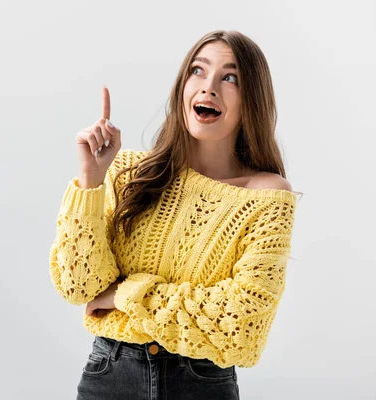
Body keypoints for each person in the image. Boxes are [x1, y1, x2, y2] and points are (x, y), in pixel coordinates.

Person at [48, 30, 301, 400]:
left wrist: (126, 293)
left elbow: (243, 323)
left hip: (201, 382)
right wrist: (91, 181)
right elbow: (80, 287)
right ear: (182, 86)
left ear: (253, 100)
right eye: (197, 71)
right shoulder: (129, 173)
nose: (209, 87)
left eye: (230, 78)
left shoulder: (267, 195)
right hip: (110, 376)